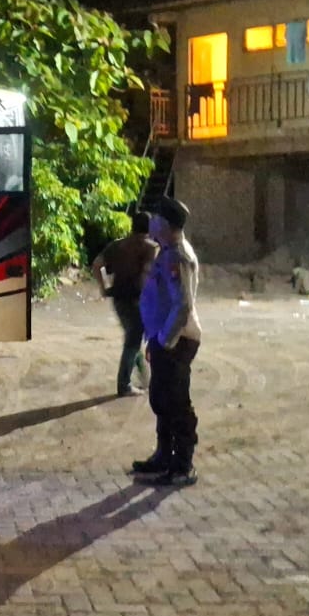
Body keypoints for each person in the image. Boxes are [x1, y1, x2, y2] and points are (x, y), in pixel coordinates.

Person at [133, 197, 202, 485]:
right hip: (164, 339)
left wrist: (164, 340)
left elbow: (182, 305)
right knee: (161, 399)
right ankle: (164, 456)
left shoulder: (178, 257)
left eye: (156, 218)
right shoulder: (168, 252)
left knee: (176, 403)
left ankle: (182, 465)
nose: (151, 222)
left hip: (176, 341)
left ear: (167, 224)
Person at [92, 212, 157, 397]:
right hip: (138, 299)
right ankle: (124, 385)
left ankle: (144, 378)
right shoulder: (151, 248)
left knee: (132, 338)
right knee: (133, 340)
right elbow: (151, 275)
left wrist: (104, 287)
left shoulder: (118, 245)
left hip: (119, 299)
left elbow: (97, 265)